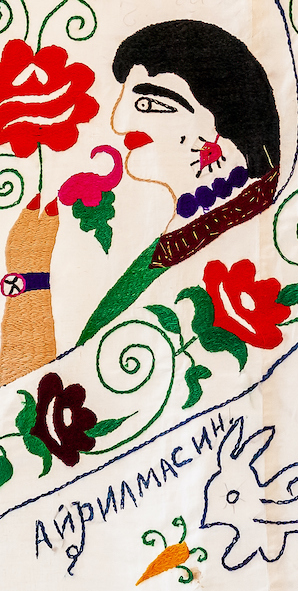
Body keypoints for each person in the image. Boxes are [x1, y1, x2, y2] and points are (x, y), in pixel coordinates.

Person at [69, 20, 283, 347]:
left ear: (224, 119)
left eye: (150, 104)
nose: (120, 124)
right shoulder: (183, 236)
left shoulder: (238, 236)